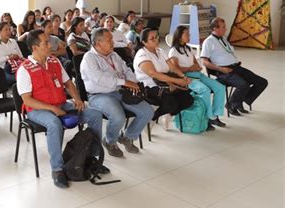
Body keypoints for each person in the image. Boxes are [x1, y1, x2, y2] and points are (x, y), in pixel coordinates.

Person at [16, 29, 104, 188]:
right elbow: (27, 99)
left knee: (95, 115)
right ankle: (57, 169)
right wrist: (52, 109)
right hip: (37, 110)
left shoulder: (54, 61)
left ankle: (90, 157)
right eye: (46, 43)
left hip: (61, 104)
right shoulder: (25, 69)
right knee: (54, 124)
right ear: (35, 47)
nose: (50, 45)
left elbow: (68, 83)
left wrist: (77, 99)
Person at [81, 28, 154, 157]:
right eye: (109, 40)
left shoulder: (114, 55)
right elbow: (100, 79)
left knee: (147, 111)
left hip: (120, 91)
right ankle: (110, 141)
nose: (113, 42)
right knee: (118, 117)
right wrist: (124, 82)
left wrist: (133, 83)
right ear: (98, 43)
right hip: (99, 95)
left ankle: (126, 136)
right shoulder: (89, 58)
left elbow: (126, 70)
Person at [201, 17, 268, 116]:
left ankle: (239, 100)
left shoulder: (223, 38)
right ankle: (231, 105)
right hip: (223, 71)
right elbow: (204, 62)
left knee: (262, 82)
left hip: (236, 67)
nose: (226, 29)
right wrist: (221, 69)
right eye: (223, 27)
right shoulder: (209, 41)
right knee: (243, 85)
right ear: (215, 28)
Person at [133, 28, 194, 129]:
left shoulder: (160, 51)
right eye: (152, 39)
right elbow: (153, 74)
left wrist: (183, 76)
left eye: (157, 37)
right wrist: (177, 81)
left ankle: (168, 115)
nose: (156, 40)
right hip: (149, 87)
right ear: (144, 42)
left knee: (188, 99)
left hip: (165, 83)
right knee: (171, 103)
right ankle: (152, 118)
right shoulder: (142, 55)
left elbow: (172, 67)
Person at [169, 26, 226, 129]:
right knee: (205, 90)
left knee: (220, 87)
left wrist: (197, 67)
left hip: (197, 74)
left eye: (189, 33)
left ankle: (215, 115)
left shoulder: (188, 48)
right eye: (186, 34)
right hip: (185, 78)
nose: (189, 36)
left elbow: (196, 63)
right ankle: (208, 117)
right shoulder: (173, 51)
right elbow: (175, 69)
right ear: (179, 36)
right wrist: (189, 69)